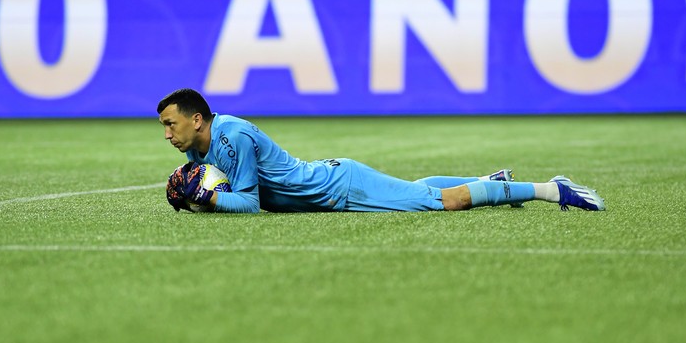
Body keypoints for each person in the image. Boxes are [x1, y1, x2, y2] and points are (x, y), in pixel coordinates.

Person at [158, 88, 605, 213]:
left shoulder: (233, 135)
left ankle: (550, 190)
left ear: (197, 119)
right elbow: (218, 188)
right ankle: (491, 183)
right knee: (416, 189)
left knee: (444, 204)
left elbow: (251, 203)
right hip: (333, 187)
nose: (167, 134)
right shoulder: (198, 152)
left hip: (340, 187)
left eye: (170, 124)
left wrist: (209, 200)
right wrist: (196, 199)